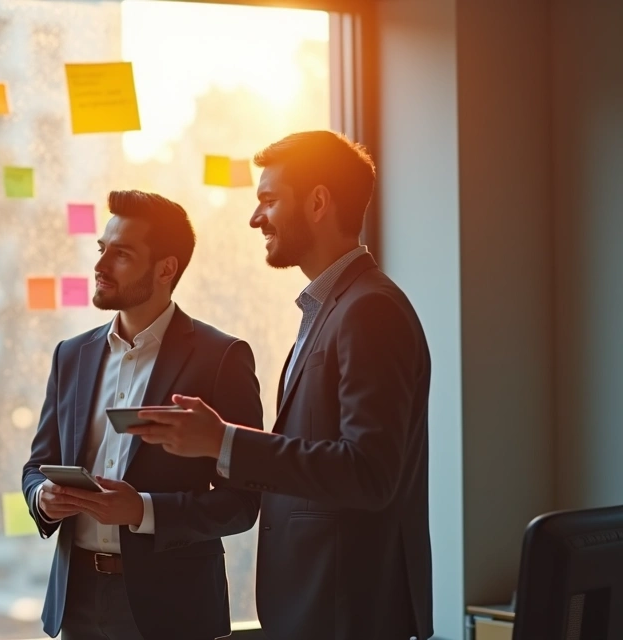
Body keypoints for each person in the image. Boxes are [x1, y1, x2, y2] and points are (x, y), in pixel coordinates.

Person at [135, 131, 433, 640]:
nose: (256, 219)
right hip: (320, 608)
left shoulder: (369, 311)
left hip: (346, 613)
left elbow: (369, 473)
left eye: (269, 201)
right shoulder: (334, 308)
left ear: (318, 202)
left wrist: (223, 442)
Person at [21, 190, 264, 640]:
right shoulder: (71, 355)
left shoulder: (221, 357)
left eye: (122, 254)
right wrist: (43, 499)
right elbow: (36, 466)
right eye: (101, 249)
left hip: (174, 607)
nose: (100, 265)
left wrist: (142, 510)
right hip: (76, 601)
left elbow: (243, 504)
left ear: (165, 268)